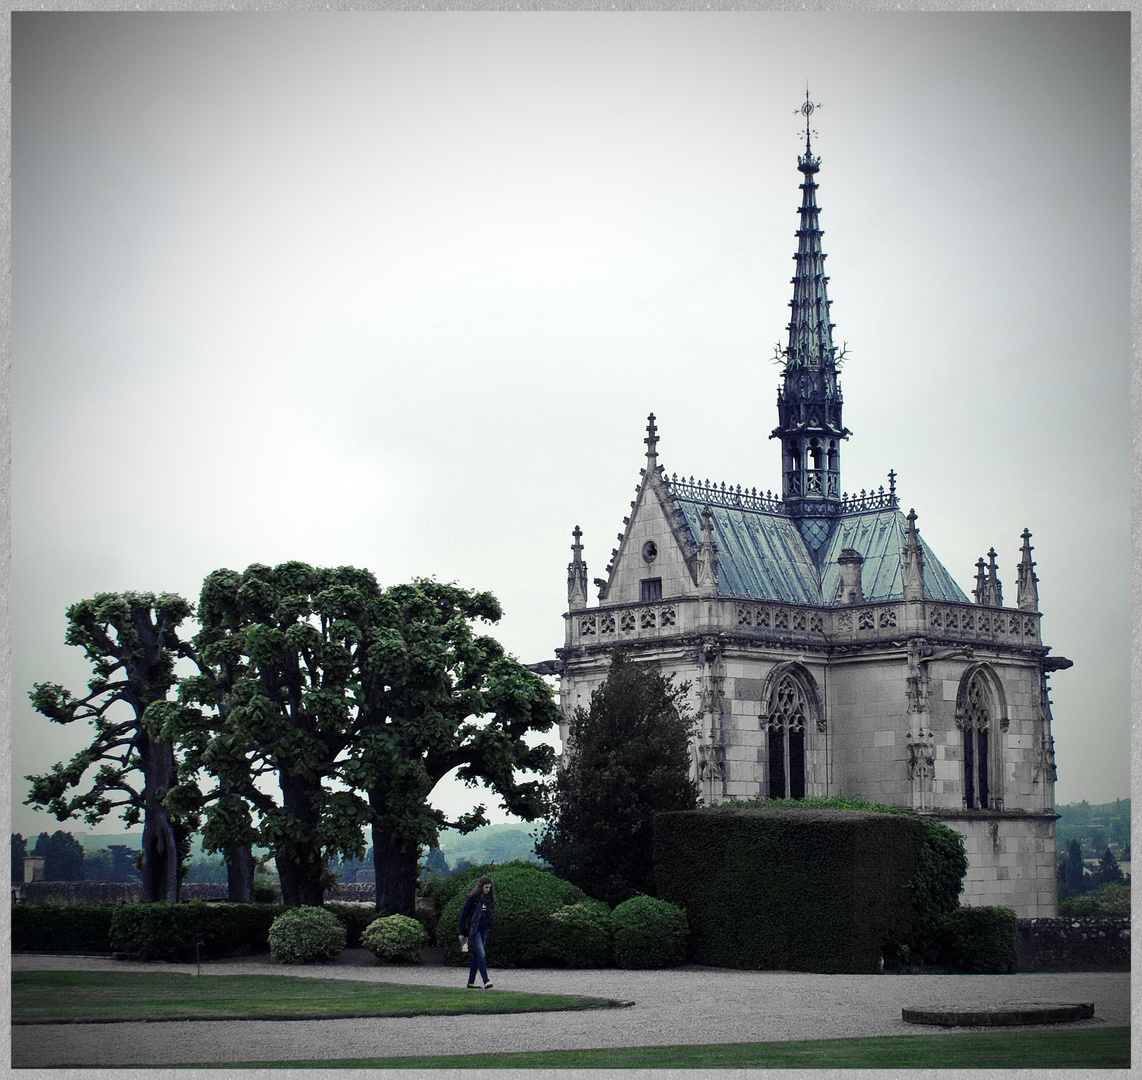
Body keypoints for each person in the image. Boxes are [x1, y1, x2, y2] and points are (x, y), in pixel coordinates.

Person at [458, 876, 495, 989]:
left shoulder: (489, 899)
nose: (488, 890)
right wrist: (462, 931)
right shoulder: (473, 899)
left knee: (477, 955)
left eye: (489, 887)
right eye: (486, 887)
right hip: (474, 929)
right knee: (481, 954)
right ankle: (486, 980)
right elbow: (464, 915)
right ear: (481, 887)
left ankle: (471, 981)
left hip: (484, 928)